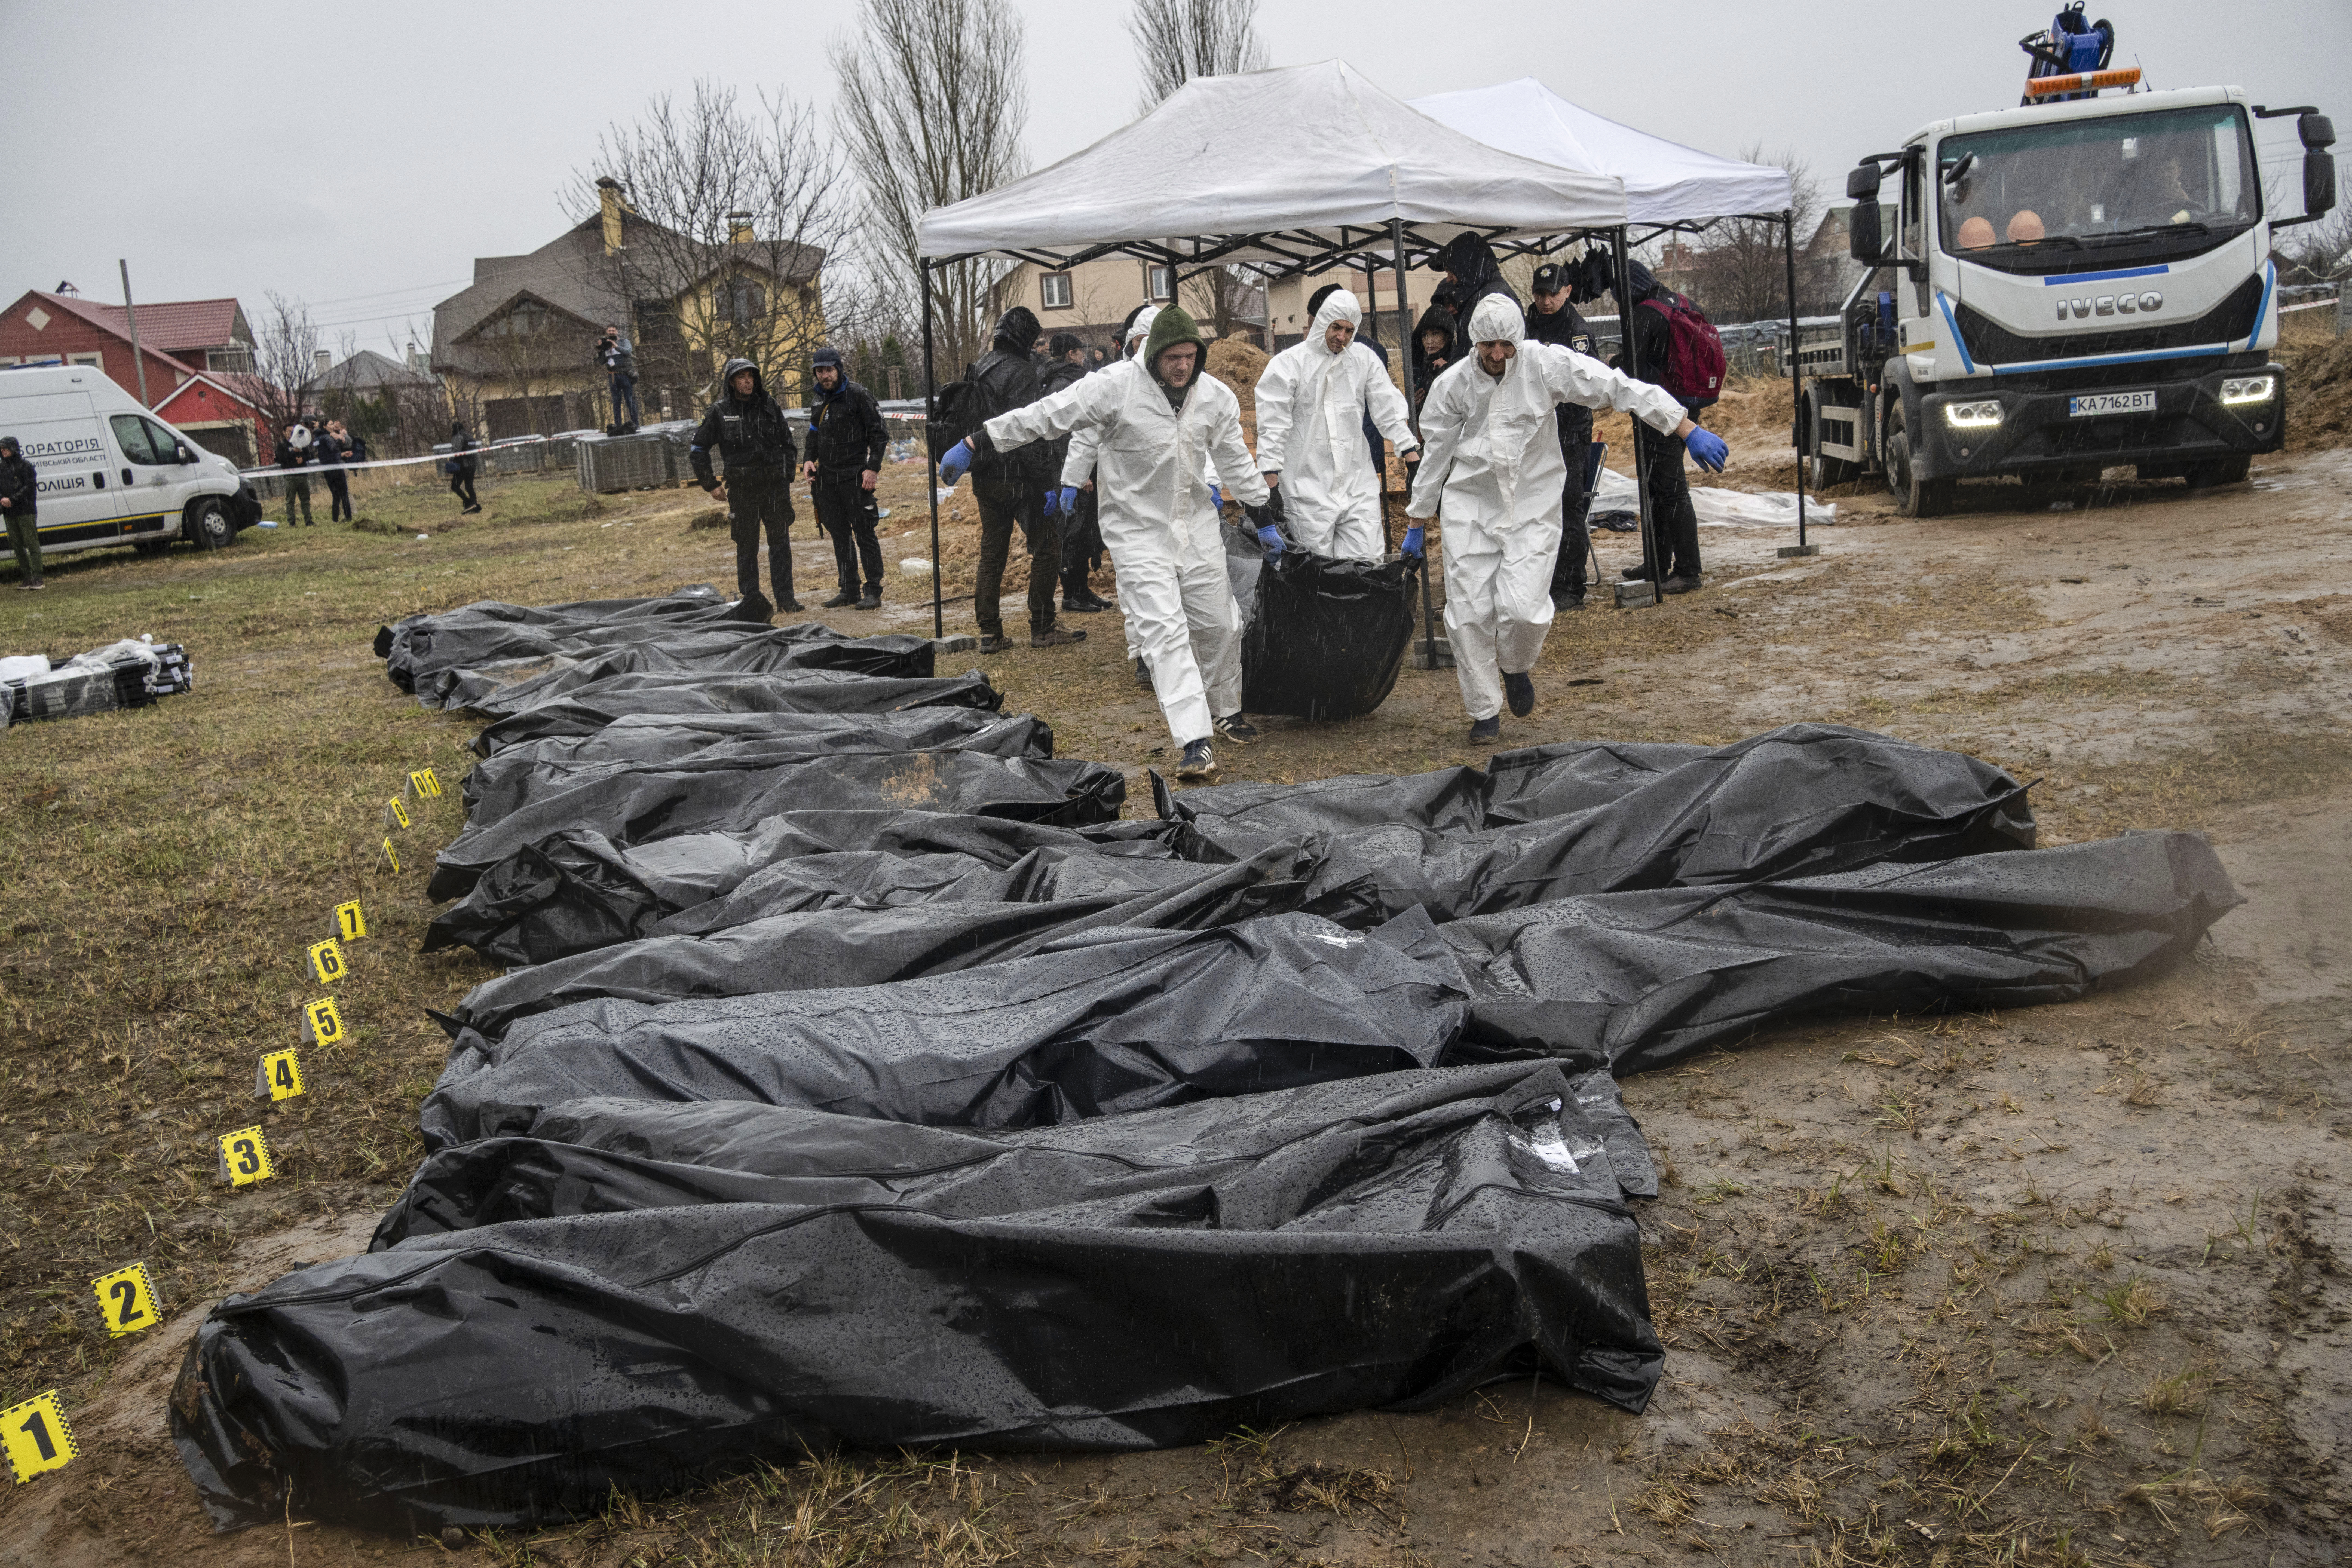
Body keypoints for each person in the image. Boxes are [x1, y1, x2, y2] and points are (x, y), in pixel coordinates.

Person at [942, 303, 1268, 783]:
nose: (1183, 366)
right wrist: (978, 441)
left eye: (1190, 357)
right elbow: (1049, 416)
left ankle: (1226, 708)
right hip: (1138, 533)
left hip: (1195, 526)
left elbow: (1236, 460)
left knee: (1221, 625)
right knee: (1164, 631)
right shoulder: (1114, 386)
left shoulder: (1214, 396)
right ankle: (1195, 741)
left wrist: (1266, 515)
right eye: (1173, 356)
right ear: (1153, 352)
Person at [1408, 295, 1727, 744]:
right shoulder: (1452, 386)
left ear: (1518, 340)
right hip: (1472, 507)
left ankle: (1515, 665)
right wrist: (1418, 519)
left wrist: (1683, 426)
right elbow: (1436, 455)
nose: (1497, 355)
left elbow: (1617, 387)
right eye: (1487, 346)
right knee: (1469, 613)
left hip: (1533, 505)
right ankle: (1484, 712)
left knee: (1523, 611)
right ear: (1474, 343)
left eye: (1506, 345)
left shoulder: (1545, 365)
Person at [1253, 287, 1417, 561]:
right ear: (1322, 323)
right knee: (1315, 576)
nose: (1342, 337)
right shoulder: (1289, 365)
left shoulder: (1363, 360)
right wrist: (1271, 485)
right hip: (1306, 489)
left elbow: (1387, 407)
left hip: (1357, 487)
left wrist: (1411, 455)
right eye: (1336, 328)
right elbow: (1273, 427)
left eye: (1349, 331)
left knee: (1366, 568)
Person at [957, 307, 1079, 652]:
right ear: (1025, 338)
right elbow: (1029, 431)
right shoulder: (1023, 372)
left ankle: (990, 633)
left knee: (992, 552)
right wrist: (1045, 485)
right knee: (1047, 547)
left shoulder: (980, 366)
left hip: (984, 473)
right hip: (1019, 477)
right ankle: (1042, 627)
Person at [1615, 260, 1711, 594]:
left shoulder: (1644, 313)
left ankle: (1687, 571)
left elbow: (1632, 373)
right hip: (1690, 404)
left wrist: (1615, 365)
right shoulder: (1684, 304)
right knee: (1662, 487)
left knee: (1669, 490)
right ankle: (1657, 563)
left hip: (1661, 413)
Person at [691, 358, 802, 615]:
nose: (748, 381)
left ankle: (786, 599)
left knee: (780, 543)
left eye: (751, 375)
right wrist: (711, 484)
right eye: (741, 377)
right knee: (747, 545)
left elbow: (789, 444)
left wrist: (786, 478)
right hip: (742, 490)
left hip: (774, 487)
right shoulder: (719, 412)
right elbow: (698, 450)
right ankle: (752, 600)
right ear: (732, 381)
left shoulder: (770, 405)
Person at [1524, 262, 1602, 609]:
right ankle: (1542, 582)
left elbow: (1590, 386)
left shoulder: (1576, 332)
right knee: (1537, 510)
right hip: (1536, 432)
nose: (1545, 301)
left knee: (1568, 509)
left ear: (1568, 291)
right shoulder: (1528, 325)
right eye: (1540, 294)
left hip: (1569, 433)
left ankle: (1570, 587)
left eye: (1552, 293)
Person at [802, 346, 887, 610]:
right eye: (820, 371)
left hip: (855, 477)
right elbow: (814, 434)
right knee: (840, 536)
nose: (824, 376)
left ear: (839, 369)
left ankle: (873, 590)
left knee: (865, 534)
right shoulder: (818, 400)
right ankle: (849, 589)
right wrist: (808, 459)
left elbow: (880, 434)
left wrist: (872, 468)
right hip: (828, 481)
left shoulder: (859, 396)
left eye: (828, 370)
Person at [1038, 333, 1109, 612]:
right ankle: (1071, 594)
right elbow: (1065, 434)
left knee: (1085, 531)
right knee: (1073, 533)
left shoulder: (1065, 379)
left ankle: (1082, 589)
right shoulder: (1064, 384)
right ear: (1071, 354)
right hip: (1069, 472)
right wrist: (1079, 475)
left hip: (1077, 469)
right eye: (1080, 352)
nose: (1083, 356)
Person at [0, 435, 41, 590]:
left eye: (5, 448)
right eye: (1, 448)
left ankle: (38, 578)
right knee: (17, 546)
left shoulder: (26, 466)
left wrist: (13, 499)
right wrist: (3, 501)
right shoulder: (1, 468)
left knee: (32, 544)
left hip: (26, 510)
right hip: (9, 513)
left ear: (13, 449)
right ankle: (28, 578)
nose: (3, 451)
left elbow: (30, 487)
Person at [1410, 303, 1457, 415]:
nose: (1429, 341)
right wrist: (1413, 405)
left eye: (1435, 334)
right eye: (1425, 335)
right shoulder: (1421, 367)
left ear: (1447, 337)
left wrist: (1449, 367)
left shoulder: (1459, 365)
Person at [598, 325, 639, 431]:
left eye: (613, 331)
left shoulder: (624, 342)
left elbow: (628, 352)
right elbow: (602, 362)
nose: (611, 332)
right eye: (609, 331)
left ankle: (636, 425)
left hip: (625, 375)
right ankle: (619, 427)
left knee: (630, 401)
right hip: (613, 376)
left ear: (617, 332)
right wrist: (601, 349)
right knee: (616, 402)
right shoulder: (605, 345)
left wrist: (616, 346)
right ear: (607, 332)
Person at [273, 422, 314, 526]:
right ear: (284, 432)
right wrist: (293, 453)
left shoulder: (301, 442)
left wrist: (303, 458)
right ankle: (292, 522)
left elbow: (311, 455)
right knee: (290, 501)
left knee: (306, 500)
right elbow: (281, 459)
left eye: (293, 432)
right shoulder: (282, 445)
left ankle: (309, 521)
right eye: (289, 432)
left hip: (302, 475)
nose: (292, 434)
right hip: (290, 477)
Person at [317, 419, 354, 523]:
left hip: (327, 470)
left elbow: (328, 456)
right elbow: (333, 449)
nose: (333, 427)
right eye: (331, 425)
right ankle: (348, 517)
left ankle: (335, 520)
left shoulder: (319, 438)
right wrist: (340, 439)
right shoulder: (328, 437)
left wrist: (342, 455)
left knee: (336, 495)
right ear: (325, 427)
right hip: (336, 469)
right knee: (344, 494)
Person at [446, 421, 480, 514]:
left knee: (455, 486)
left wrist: (450, 459)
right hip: (473, 465)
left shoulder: (458, 437)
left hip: (463, 467)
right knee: (469, 487)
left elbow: (456, 451)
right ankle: (474, 505)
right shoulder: (469, 437)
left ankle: (468, 503)